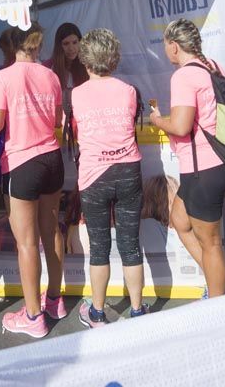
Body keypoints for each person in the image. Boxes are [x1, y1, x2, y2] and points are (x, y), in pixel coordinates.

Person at [0, 24, 65, 338]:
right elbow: (57, 120)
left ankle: (33, 315)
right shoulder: (52, 76)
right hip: (52, 158)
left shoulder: (4, 77)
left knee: (27, 243)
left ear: (12, 44)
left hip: (22, 162)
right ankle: (54, 300)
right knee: (51, 232)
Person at [148, 19, 225, 297]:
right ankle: (216, 283)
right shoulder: (212, 66)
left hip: (203, 168)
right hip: (217, 162)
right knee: (180, 219)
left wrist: (156, 120)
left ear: (174, 46)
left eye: (165, 46)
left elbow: (180, 126)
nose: (165, 52)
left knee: (210, 242)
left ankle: (219, 303)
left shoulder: (184, 76)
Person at [69, 28, 146, 327]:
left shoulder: (76, 94)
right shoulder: (129, 90)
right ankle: (138, 311)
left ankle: (98, 312)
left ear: (86, 61)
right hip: (128, 170)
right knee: (130, 244)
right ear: (114, 59)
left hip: (93, 175)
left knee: (99, 247)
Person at [47, 22, 90, 94]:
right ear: (59, 46)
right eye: (66, 43)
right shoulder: (48, 67)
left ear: (80, 42)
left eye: (75, 42)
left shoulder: (88, 66)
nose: (71, 48)